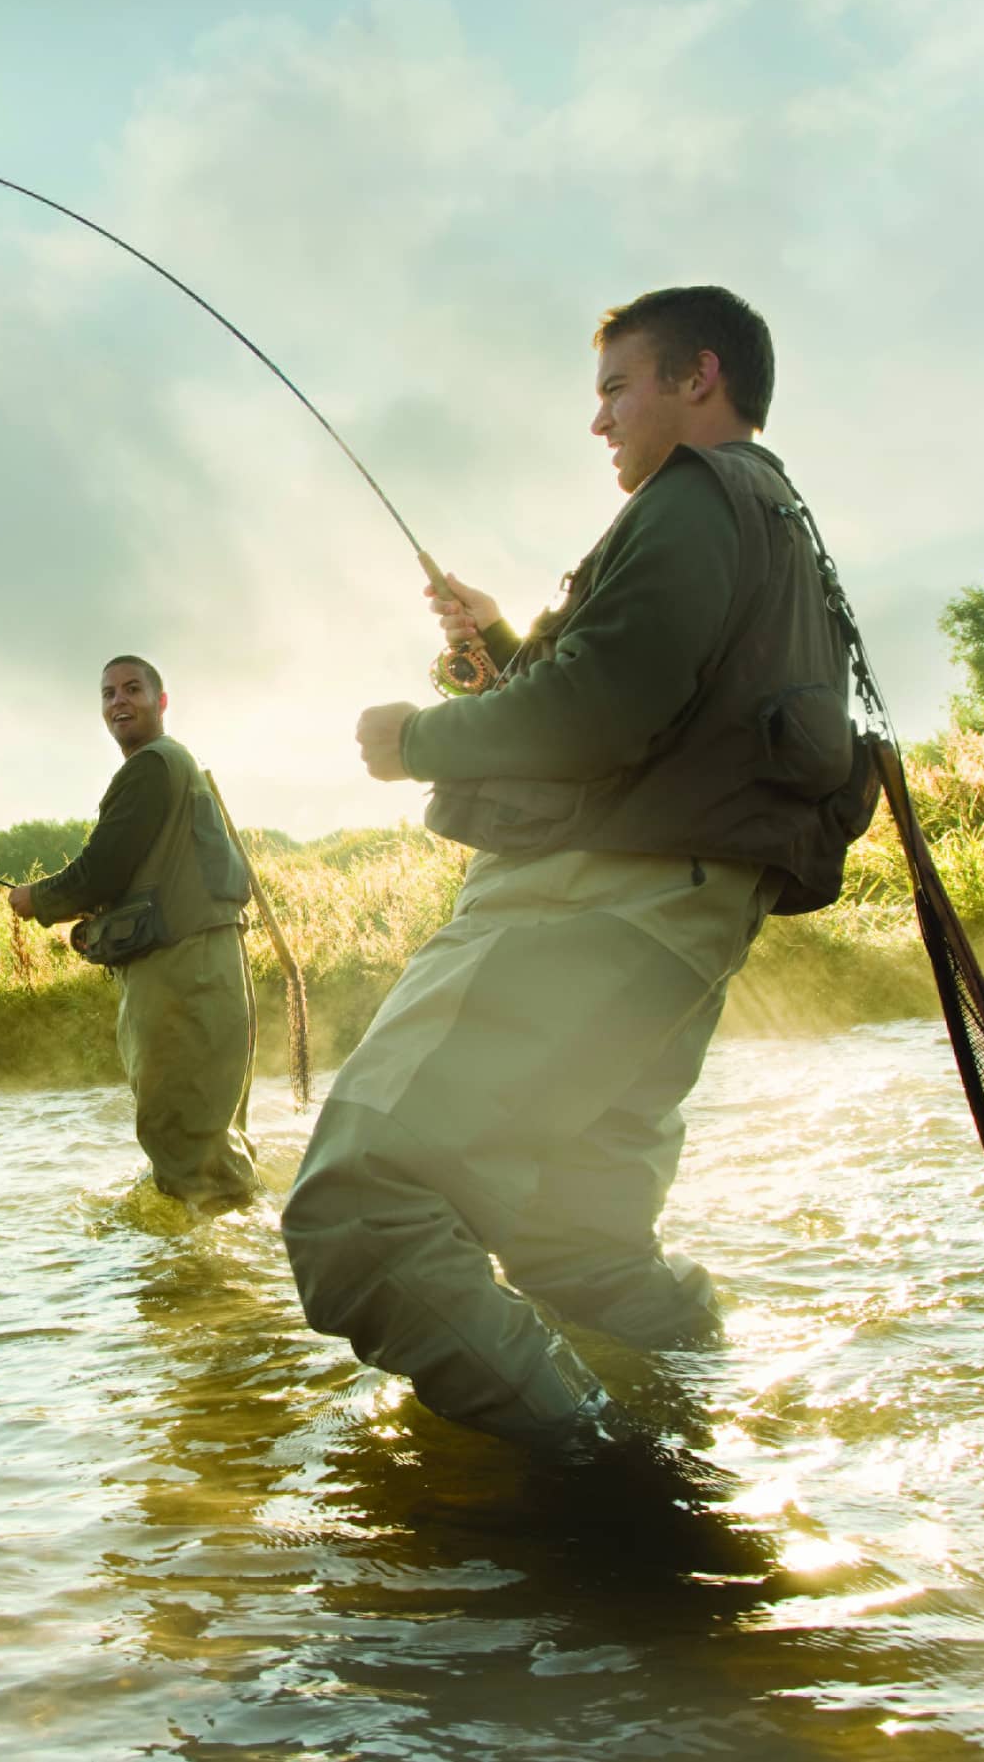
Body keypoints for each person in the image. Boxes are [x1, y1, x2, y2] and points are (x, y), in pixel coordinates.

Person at [282, 286, 864, 1457]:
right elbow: (651, 697)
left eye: (615, 388)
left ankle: (609, 1503)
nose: (598, 422)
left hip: (590, 912)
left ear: (698, 377)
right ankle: (710, 1439)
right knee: (577, 1246)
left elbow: (600, 708)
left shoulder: (693, 494)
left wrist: (419, 740)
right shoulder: (777, 517)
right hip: (677, 939)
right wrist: (501, 648)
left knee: (359, 1209)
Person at [10, 656, 258, 1212]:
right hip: (208, 969)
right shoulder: (177, 765)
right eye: (108, 694)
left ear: (161, 701)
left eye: (132, 689)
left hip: (181, 974)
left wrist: (37, 899)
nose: (119, 701)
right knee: (213, 1139)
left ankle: (197, 1285)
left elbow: (103, 868)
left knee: (183, 1141)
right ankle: (236, 1280)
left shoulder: (150, 766)